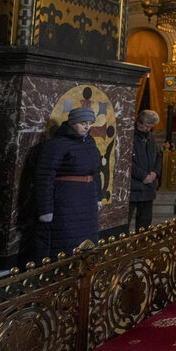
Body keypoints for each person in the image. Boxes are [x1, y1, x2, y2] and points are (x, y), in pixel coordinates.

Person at [35, 106, 103, 262]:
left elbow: (95, 171)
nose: (87, 127)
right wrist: (46, 209)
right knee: (66, 238)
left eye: (90, 123)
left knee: (86, 240)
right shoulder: (57, 143)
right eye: (83, 123)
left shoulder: (90, 142)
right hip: (66, 200)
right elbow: (45, 176)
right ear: (72, 123)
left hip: (87, 200)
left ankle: (82, 273)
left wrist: (98, 197)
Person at [129, 109, 162, 232]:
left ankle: (141, 247)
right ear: (139, 123)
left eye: (151, 127)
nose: (149, 129)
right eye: (147, 126)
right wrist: (143, 175)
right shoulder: (129, 136)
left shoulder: (150, 137)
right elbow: (126, 161)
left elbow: (159, 156)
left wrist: (155, 172)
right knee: (125, 221)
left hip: (148, 186)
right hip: (133, 186)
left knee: (145, 223)